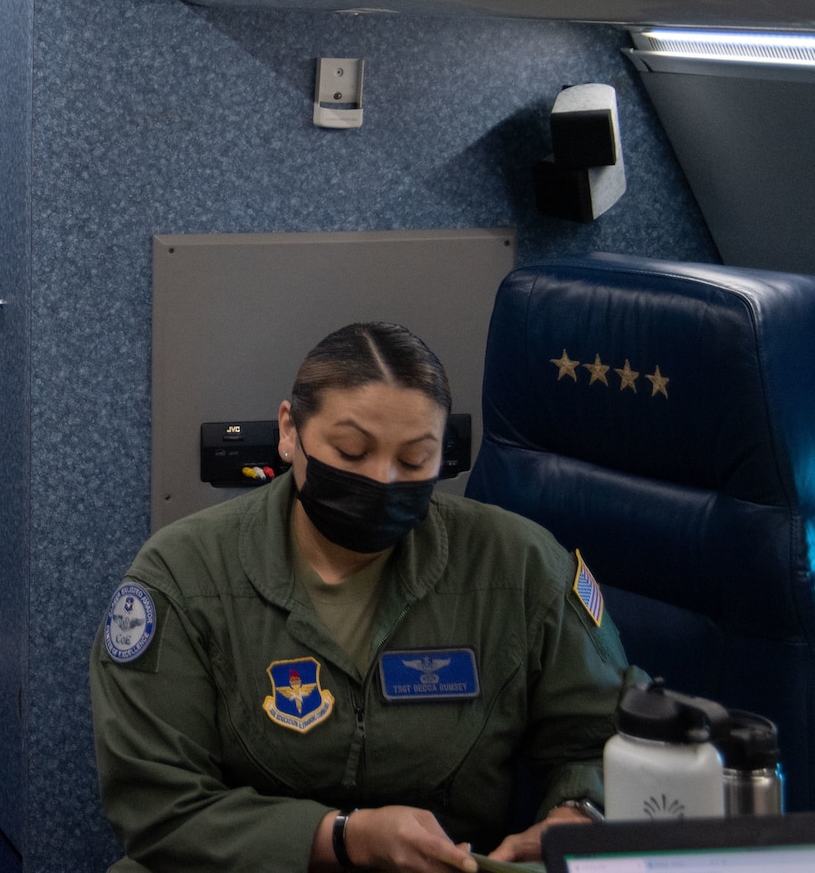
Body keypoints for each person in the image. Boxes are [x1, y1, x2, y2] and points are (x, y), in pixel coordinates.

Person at [91, 322, 638, 873]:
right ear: (289, 431)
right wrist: (341, 839)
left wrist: (580, 815)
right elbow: (158, 804)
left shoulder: (518, 564)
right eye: (352, 451)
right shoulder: (183, 575)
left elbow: (613, 735)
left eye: (414, 459)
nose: (381, 479)